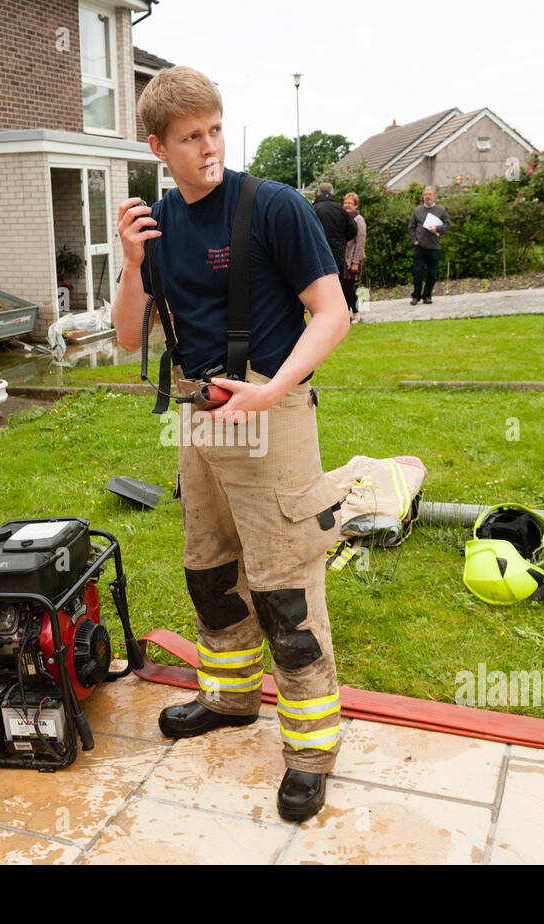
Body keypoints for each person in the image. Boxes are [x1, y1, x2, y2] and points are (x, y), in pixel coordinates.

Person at [112, 66, 351, 823]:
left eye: (216, 129)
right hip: (197, 412)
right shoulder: (158, 225)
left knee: (285, 587)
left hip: (270, 411)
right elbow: (125, 339)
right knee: (210, 574)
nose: (209, 147)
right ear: (158, 147)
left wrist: (271, 389)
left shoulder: (273, 207)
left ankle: (310, 752)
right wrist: (130, 265)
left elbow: (333, 313)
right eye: (190, 137)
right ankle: (230, 698)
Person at [409, 186, 451, 304]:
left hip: (434, 247)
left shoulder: (441, 210)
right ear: (423, 196)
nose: (427, 196)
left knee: (432, 274)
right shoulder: (417, 211)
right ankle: (416, 296)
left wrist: (437, 228)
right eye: (425, 194)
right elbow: (411, 227)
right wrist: (415, 240)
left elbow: (448, 225)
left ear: (434, 196)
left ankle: (427, 296)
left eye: (430, 194)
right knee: (417, 273)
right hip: (420, 247)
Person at [312, 182, 356, 282]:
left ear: (319, 193)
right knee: (336, 283)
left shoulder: (313, 209)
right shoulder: (341, 210)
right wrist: (342, 240)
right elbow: (353, 230)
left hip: (317, 253)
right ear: (333, 193)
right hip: (337, 254)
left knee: (320, 283)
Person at [341, 192, 366, 322]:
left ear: (356, 205)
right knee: (344, 288)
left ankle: (356, 313)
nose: (346, 205)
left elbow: (360, 242)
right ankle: (347, 314)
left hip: (353, 260)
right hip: (344, 259)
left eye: (349, 203)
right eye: (345, 202)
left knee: (350, 288)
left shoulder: (359, 220)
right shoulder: (345, 219)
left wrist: (356, 262)